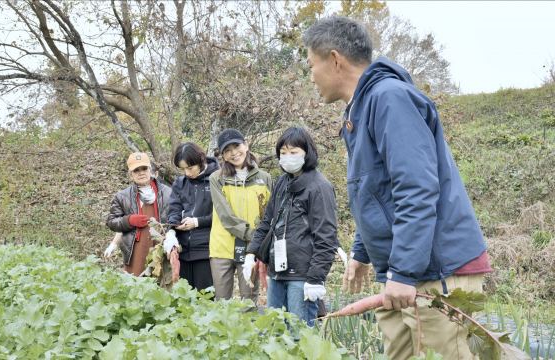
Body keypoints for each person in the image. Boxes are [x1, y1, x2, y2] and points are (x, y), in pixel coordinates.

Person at [303, 16, 492, 359]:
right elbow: (374, 193)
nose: (310, 76)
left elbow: (416, 190)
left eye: (310, 64)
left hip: (434, 270)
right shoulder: (359, 110)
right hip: (400, 270)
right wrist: (361, 252)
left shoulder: (389, 99)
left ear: (334, 59)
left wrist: (404, 271)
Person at [244, 127, 338, 327]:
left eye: (294, 152)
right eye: (283, 153)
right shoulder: (282, 183)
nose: (288, 157)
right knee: (276, 332)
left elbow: (326, 237)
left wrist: (315, 278)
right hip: (277, 271)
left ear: (307, 152)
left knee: (299, 336)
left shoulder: (319, 187)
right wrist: (252, 253)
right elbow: (267, 221)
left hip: (302, 275)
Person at [209, 128, 273, 302]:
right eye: (227, 151)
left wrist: (260, 241)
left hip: (251, 249)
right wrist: (253, 235)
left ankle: (249, 329)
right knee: (222, 301)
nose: (233, 153)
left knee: (249, 298)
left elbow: (270, 214)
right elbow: (226, 216)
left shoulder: (265, 178)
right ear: (222, 155)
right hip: (222, 247)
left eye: (236, 146)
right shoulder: (217, 178)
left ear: (246, 145)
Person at [161, 142, 219, 291]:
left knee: (205, 297)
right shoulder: (180, 183)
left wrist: (197, 222)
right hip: (183, 249)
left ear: (201, 160)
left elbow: (222, 215)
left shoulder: (217, 179)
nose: (187, 173)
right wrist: (172, 231)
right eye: (183, 169)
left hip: (207, 250)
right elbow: (174, 209)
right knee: (184, 298)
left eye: (190, 168)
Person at [104, 152, 172, 275]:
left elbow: (175, 219)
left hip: (161, 246)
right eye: (136, 170)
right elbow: (111, 222)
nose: (141, 173)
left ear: (150, 170)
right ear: (131, 175)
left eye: (144, 168)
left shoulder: (168, 193)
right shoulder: (122, 196)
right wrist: (128, 220)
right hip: (136, 249)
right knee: (137, 284)